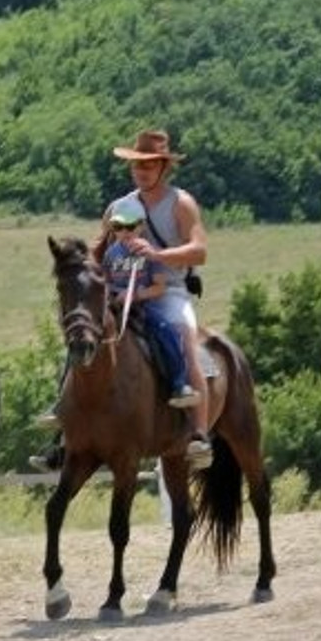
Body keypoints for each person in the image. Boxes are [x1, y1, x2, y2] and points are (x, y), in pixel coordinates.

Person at [106, 128, 213, 465]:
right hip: (122, 290)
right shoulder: (119, 207)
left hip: (168, 290)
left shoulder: (181, 203)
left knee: (184, 337)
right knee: (84, 337)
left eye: (150, 165)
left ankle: (199, 434)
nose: (142, 170)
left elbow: (199, 252)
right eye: (138, 164)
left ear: (164, 167)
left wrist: (157, 255)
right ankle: (63, 431)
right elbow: (102, 250)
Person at [101, 197, 198, 409]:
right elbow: (106, 282)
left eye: (130, 226)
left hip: (143, 308)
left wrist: (135, 295)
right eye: (118, 226)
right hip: (114, 308)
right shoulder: (110, 254)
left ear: (141, 226)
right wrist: (111, 296)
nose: (124, 232)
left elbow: (159, 287)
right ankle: (64, 400)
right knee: (84, 336)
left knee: (167, 332)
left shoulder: (149, 254)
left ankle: (179, 384)